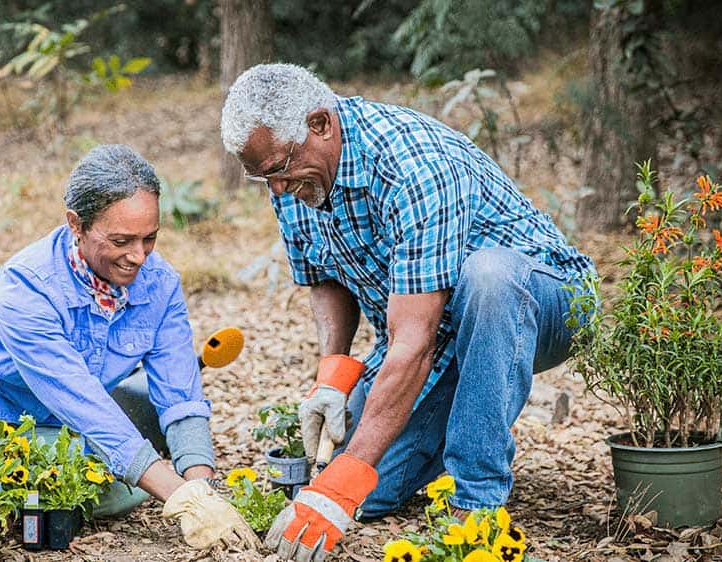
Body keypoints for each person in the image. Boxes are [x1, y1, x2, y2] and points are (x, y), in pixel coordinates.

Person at [220, 63, 596, 561]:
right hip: (442, 328)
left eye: (277, 170)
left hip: (546, 300)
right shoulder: (294, 173)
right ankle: (463, 414)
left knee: (488, 276)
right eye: (261, 177)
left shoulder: (413, 165)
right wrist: (333, 377)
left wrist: (340, 483)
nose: (276, 189)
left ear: (320, 124)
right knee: (369, 492)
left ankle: (477, 499)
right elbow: (324, 275)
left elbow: (413, 342)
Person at [0, 144, 258, 550]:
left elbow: (181, 395)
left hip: (53, 428)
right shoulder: (26, 286)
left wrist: (202, 488)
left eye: (150, 238)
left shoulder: (160, 285)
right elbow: (79, 398)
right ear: (76, 224)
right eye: (122, 240)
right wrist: (178, 495)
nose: (139, 256)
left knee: (118, 489)